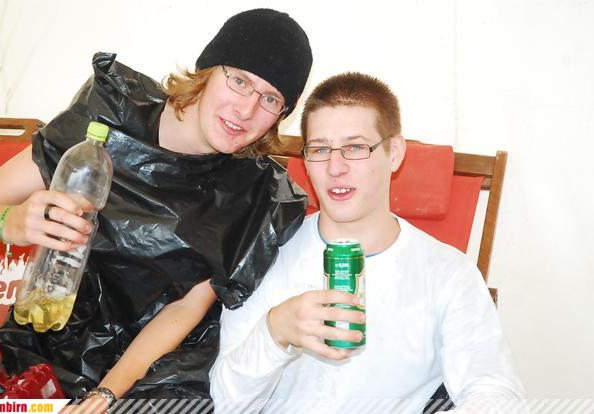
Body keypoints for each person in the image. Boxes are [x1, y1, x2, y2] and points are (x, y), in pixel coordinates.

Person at [0, 8, 312, 411]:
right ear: (208, 70)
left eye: (270, 99)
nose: (246, 110)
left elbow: (185, 308)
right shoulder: (106, 118)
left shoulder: (254, 195)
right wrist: (8, 222)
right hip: (45, 347)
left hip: (155, 376)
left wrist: (105, 395)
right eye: (239, 81)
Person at [209, 72, 525, 413]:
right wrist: (275, 331)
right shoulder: (265, 254)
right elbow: (226, 403)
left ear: (394, 153)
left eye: (355, 148)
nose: (335, 168)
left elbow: (495, 393)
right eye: (320, 149)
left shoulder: (447, 273)